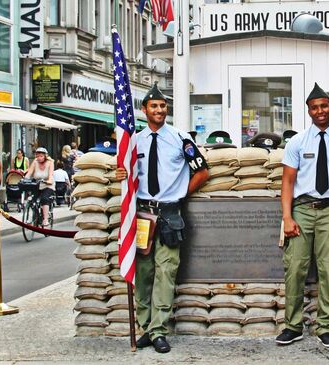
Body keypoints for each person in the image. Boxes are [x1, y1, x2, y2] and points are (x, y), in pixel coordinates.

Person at [134, 83, 209, 353]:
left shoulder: (180, 138)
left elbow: (202, 172)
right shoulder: (135, 141)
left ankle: (158, 330)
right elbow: (128, 173)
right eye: (154, 106)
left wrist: (179, 194)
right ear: (144, 110)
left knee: (166, 273)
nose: (159, 110)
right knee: (143, 273)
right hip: (142, 213)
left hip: (168, 213)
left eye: (163, 106)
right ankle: (144, 326)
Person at [277, 83, 329, 349]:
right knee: (295, 268)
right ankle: (293, 326)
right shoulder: (298, 141)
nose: (320, 111)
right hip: (302, 210)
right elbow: (287, 182)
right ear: (308, 111)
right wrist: (287, 217)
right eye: (314, 107)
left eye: (324, 105)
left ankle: (326, 326)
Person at [24, 147, 55, 227]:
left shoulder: (50, 162)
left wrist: (49, 180)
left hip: (47, 184)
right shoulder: (35, 162)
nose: (39, 158)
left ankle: (45, 219)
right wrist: (25, 179)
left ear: (45, 156)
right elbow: (29, 173)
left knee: (44, 199)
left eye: (41, 156)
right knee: (32, 199)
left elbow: (51, 174)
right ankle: (32, 217)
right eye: (37, 156)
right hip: (37, 184)